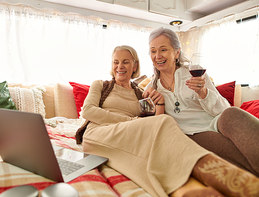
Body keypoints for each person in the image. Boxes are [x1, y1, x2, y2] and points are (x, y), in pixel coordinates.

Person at [78, 45, 259, 197]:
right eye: (116, 62)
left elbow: (155, 125)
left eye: (125, 61)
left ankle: (220, 184)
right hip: (98, 132)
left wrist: (160, 102)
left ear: (135, 66)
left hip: (127, 134)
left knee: (164, 125)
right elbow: (88, 110)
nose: (120, 66)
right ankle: (234, 181)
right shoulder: (101, 85)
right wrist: (129, 121)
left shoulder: (140, 93)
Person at [143, 27, 259, 178]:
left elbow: (223, 108)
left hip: (216, 122)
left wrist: (203, 92)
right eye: (153, 51)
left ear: (177, 52)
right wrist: (158, 104)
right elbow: (152, 127)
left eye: (163, 50)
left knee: (232, 113)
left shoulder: (194, 71)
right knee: (229, 148)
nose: (157, 56)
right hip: (191, 133)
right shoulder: (151, 88)